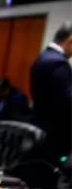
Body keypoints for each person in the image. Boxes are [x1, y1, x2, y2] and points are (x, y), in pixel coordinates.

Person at [30, 22, 72, 169]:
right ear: (70, 40)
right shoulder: (59, 63)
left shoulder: (43, 57)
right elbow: (68, 100)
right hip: (54, 133)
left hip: (40, 126)